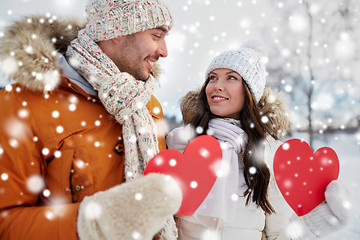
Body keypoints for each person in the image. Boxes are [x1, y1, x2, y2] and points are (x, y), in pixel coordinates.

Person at [0, 0, 183, 239]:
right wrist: (93, 223)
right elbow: (5, 222)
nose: (164, 51)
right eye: (156, 35)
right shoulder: (22, 103)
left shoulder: (147, 105)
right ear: (116, 33)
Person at [166, 46, 351, 239]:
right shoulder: (179, 142)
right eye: (212, 77)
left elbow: (277, 235)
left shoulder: (269, 152)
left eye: (231, 77)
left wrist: (315, 225)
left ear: (250, 92)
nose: (216, 86)